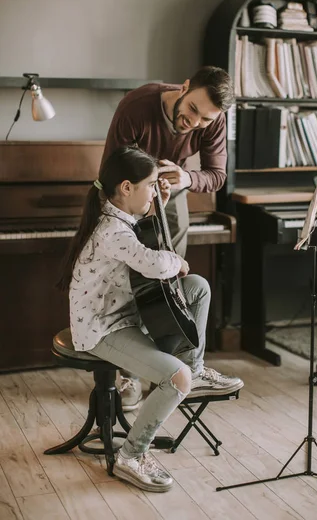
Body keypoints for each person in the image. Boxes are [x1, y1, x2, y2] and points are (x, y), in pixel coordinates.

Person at [58, 146, 243, 492]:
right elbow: (156, 264)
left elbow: (150, 239)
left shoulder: (122, 215)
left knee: (198, 288)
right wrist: (176, 261)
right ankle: (131, 455)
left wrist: (159, 200)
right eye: (151, 184)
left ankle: (196, 369)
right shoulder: (112, 230)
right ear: (126, 187)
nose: (156, 190)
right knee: (175, 378)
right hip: (102, 328)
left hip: (127, 313)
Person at [101, 66, 235, 410]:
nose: (195, 122)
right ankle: (128, 372)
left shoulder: (213, 118)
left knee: (168, 285)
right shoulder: (136, 107)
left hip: (172, 191)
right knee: (127, 284)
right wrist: (145, 186)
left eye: (205, 120)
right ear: (184, 87)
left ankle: (175, 370)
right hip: (126, 193)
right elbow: (112, 171)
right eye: (192, 110)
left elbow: (216, 175)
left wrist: (185, 179)